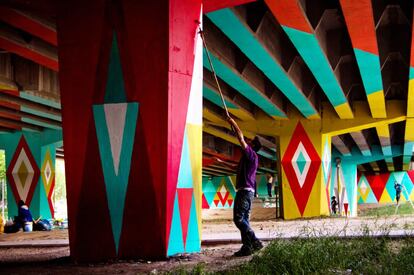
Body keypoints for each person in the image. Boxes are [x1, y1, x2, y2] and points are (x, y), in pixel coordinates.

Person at [227, 116, 263, 257]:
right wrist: (219, 161)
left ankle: (255, 241)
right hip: (247, 192)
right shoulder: (249, 159)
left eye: (250, 141)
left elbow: (240, 137)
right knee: (245, 220)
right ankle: (247, 247)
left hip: (244, 192)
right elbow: (234, 167)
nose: (247, 141)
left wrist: (233, 122)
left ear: (253, 145)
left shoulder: (251, 155)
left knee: (239, 219)